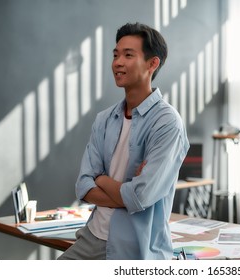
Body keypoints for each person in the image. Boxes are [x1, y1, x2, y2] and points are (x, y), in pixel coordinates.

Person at [58, 22, 189, 260]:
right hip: (93, 238)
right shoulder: (104, 119)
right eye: (116, 55)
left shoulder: (167, 123)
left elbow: (140, 196)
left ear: (152, 64)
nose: (117, 62)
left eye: (128, 55)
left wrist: (101, 179)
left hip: (137, 246)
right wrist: (124, 192)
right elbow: (83, 186)